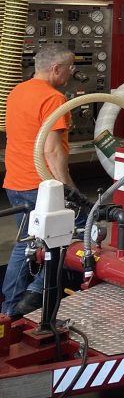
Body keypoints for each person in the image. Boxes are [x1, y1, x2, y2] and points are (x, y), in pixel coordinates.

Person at [2, 44, 78, 317]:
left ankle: (13, 305)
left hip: (15, 181)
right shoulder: (53, 99)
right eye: (70, 67)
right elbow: (52, 150)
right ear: (56, 69)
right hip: (41, 185)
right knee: (73, 232)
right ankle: (32, 296)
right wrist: (68, 188)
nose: (72, 72)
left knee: (27, 242)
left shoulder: (17, 91)